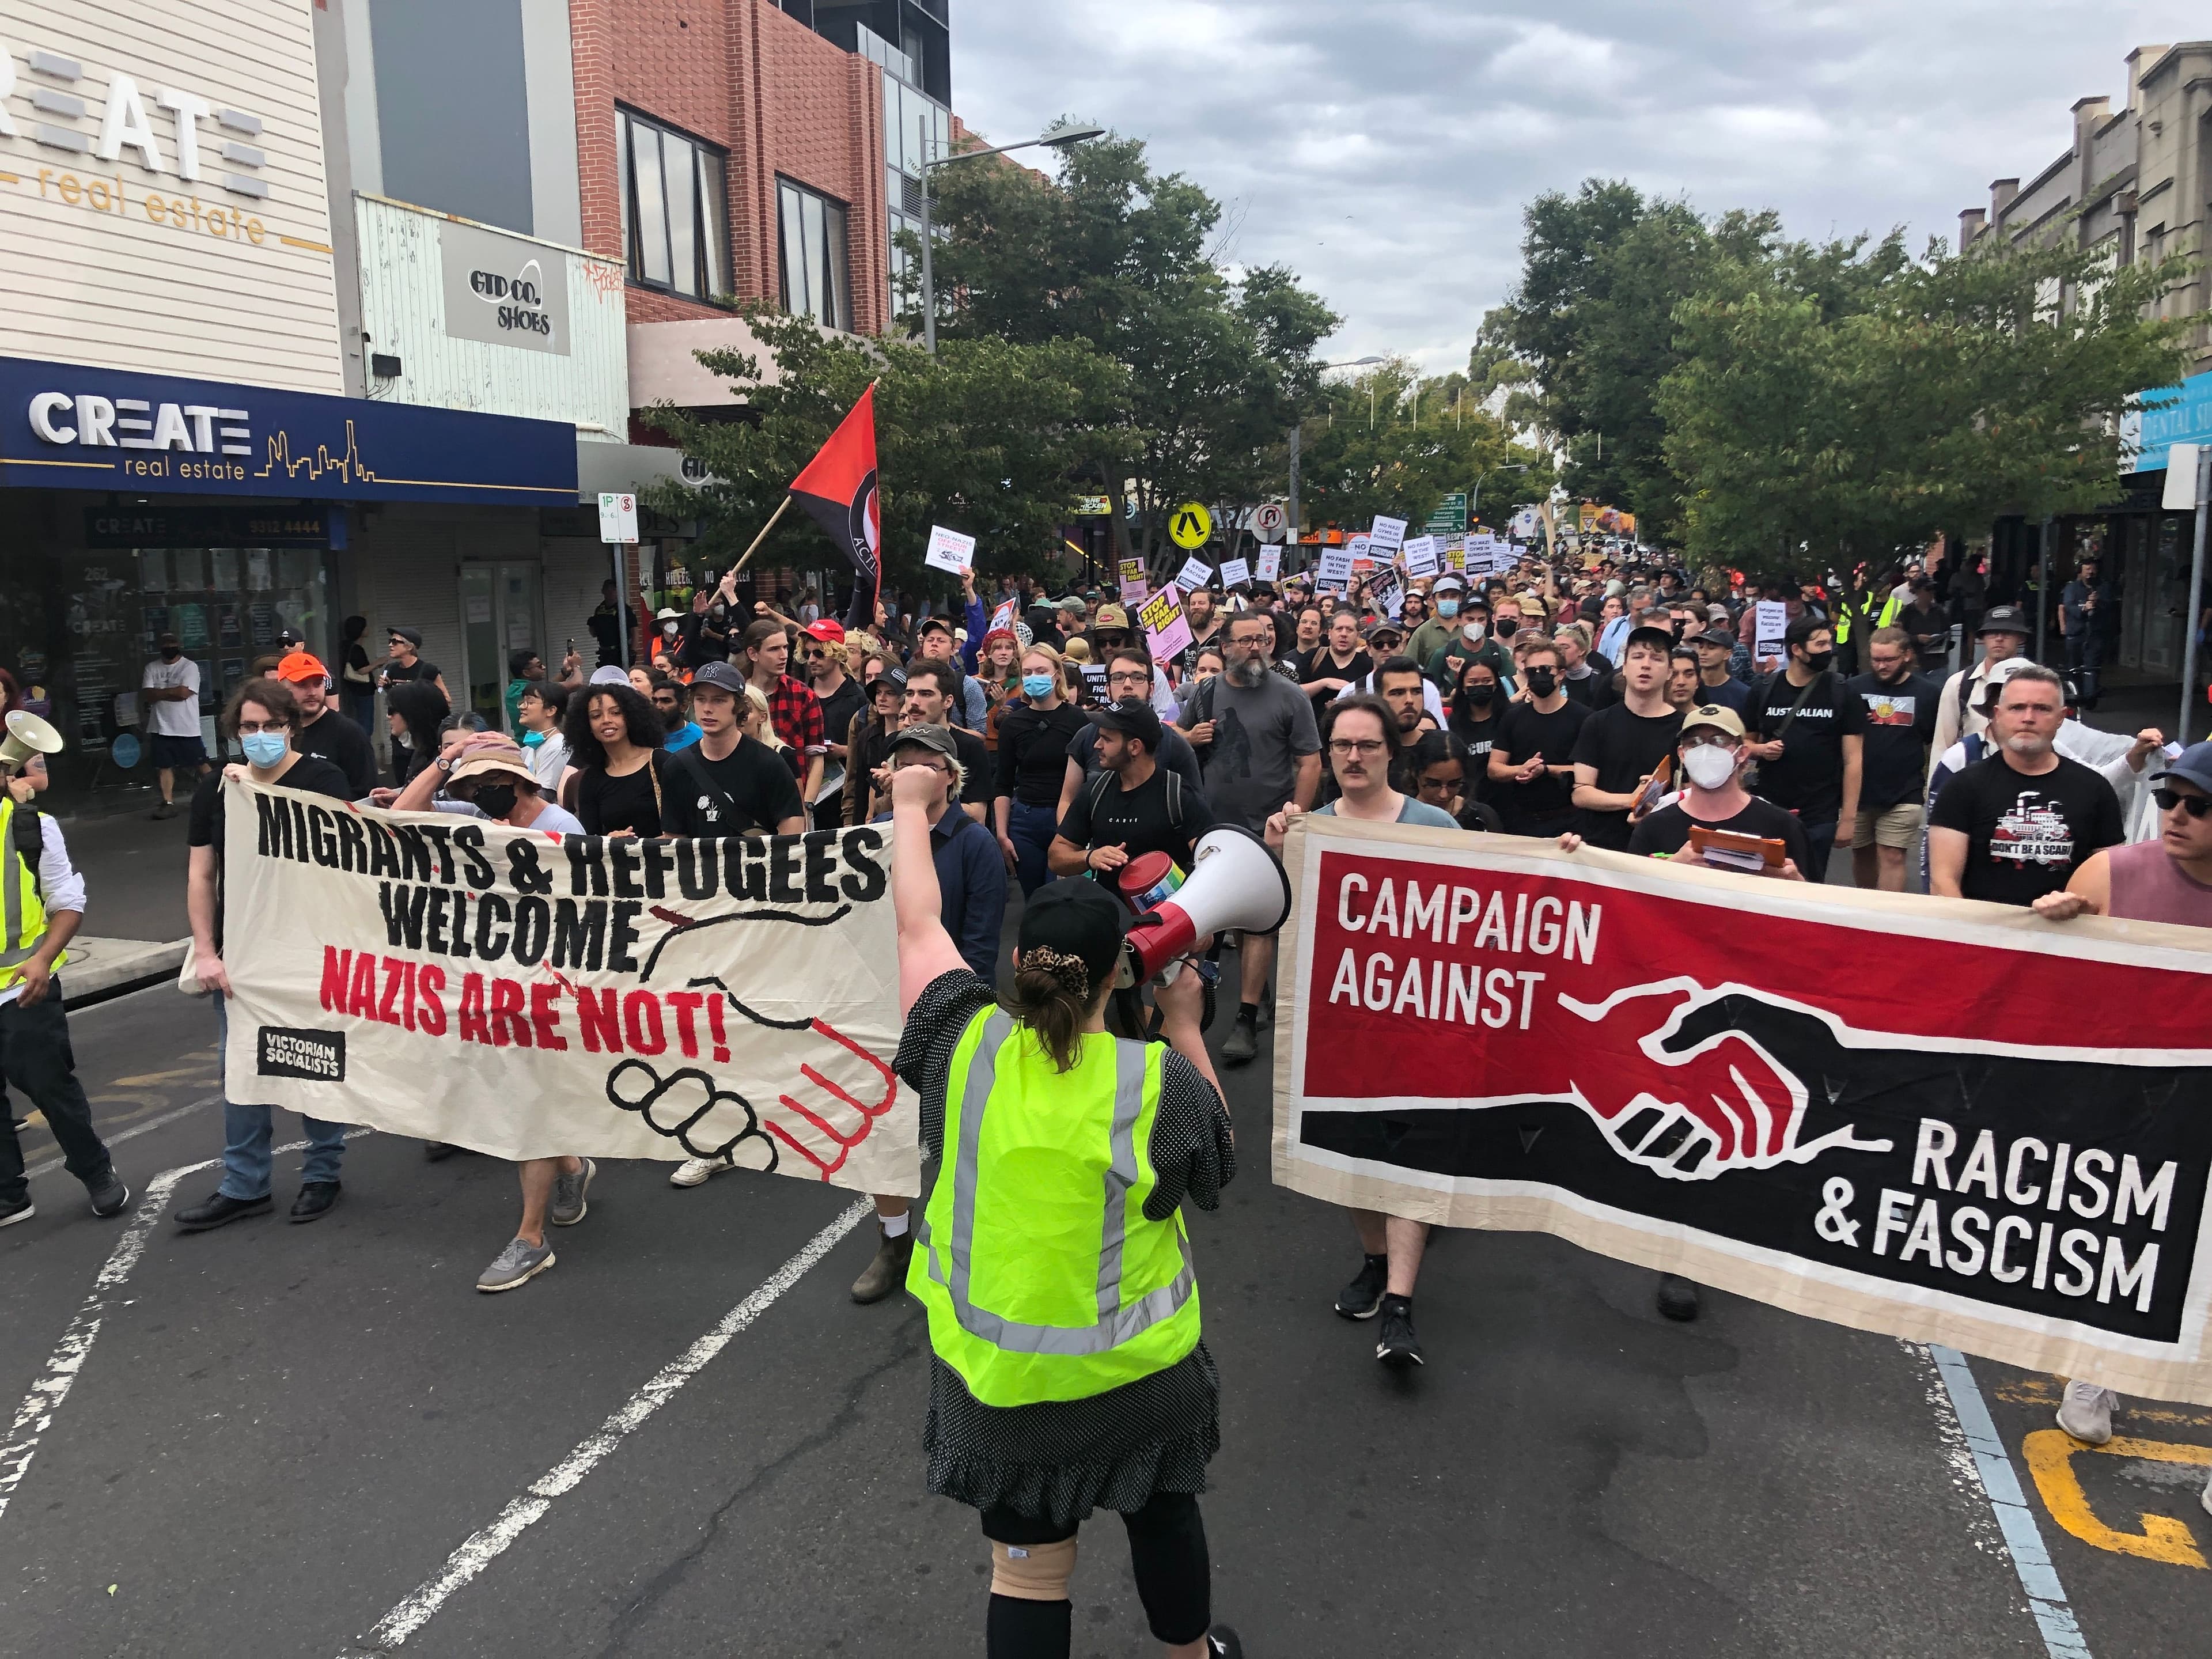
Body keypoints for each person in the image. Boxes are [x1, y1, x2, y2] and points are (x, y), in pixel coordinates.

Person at [889, 779, 1240, 1659]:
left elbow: (918, 927)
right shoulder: (1157, 1081)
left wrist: (905, 804)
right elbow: (1218, 1165)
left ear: (1015, 964)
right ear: (1122, 972)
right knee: (1164, 1519)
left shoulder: (960, 1041)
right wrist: (1187, 1023)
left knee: (1028, 1573)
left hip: (999, 1383)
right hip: (1138, 1377)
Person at [2031, 740, 2212, 1508]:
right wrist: (2057, 924)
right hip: (2136, 1106)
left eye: (2197, 806)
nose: (2174, 814)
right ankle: (2094, 1379)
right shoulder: (2113, 872)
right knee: (2129, 1249)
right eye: (2169, 798)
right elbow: (2050, 987)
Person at [1266, 695, 1456, 1368]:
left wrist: (1559, 857)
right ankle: (1374, 1262)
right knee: (1351, 1156)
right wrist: (1278, 855)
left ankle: (1400, 1304)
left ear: (1389, 753)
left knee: (1409, 1157)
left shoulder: (1434, 825)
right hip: (1340, 1031)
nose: (1351, 756)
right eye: (1341, 744)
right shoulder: (1310, 828)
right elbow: (1278, 922)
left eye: (1366, 745)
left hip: (1417, 1028)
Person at [176, 679, 357, 1231]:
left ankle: (322, 1173)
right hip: (243, 955)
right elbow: (201, 873)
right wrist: (206, 951)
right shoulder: (216, 791)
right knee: (241, 1072)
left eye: (270, 726)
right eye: (248, 728)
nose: (259, 737)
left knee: (316, 1063)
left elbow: (345, 863)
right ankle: (244, 1185)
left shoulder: (321, 780)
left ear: (291, 726)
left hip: (308, 949)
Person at [1175, 611, 1321, 1066]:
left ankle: (1246, 1014)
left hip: (1267, 828)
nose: (1255, 647)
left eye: (1261, 639)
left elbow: (1310, 761)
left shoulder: (1291, 697)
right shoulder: (1203, 693)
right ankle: (1210, 998)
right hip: (1212, 827)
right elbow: (1175, 741)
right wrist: (1190, 736)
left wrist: (1294, 817)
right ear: (1225, 647)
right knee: (1213, 917)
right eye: (1245, 641)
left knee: (1258, 921)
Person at [0, 741, 131, 1230]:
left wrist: (42, 960)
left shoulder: (31, 826)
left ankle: (96, 1170)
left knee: (51, 1088)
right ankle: (10, 1195)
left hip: (22, 987)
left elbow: (68, 903)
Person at [1928, 663, 2123, 907]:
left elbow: (2114, 882)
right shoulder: (1962, 787)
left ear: (2062, 718)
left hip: (2066, 937)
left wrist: (2081, 909)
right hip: (1983, 937)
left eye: (2042, 709)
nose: (2028, 718)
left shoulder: (2095, 789)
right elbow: (1942, 882)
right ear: (1998, 715)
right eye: (2017, 708)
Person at [1742, 614, 1863, 879]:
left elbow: (1854, 760)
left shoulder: (1843, 691)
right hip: (1768, 806)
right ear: (1797, 650)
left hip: (1819, 810)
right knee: (1764, 878)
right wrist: (1760, 750)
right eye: (1819, 645)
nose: (1827, 651)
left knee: (1811, 882)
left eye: (1829, 643)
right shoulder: (1764, 689)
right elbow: (1742, 744)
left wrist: (1849, 820)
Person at [1050, 697, 1217, 882]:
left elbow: (1212, 862)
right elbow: (1057, 856)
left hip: (1166, 909)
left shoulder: (1178, 796)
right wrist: (1089, 857)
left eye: (1107, 739)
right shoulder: (1095, 792)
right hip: (1109, 909)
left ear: (1135, 747)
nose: (1097, 745)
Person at [658, 661, 807, 839]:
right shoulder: (677, 767)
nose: (707, 709)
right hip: (701, 866)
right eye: (700, 699)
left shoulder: (769, 763)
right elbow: (674, 842)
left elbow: (793, 838)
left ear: (738, 706)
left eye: (719, 700)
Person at [1059, 651, 1206, 826]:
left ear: (1151, 689)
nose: (1127, 685)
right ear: (1107, 689)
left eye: (1137, 677)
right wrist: (1077, 845)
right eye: (1118, 677)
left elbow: (1197, 813)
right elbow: (1067, 801)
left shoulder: (1175, 745)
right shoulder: (1086, 737)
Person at [1569, 626, 1682, 852]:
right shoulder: (1597, 723)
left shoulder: (1684, 729)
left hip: (1660, 849)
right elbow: (1581, 792)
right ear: (1625, 667)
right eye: (1638, 657)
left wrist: (1655, 810)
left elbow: (1689, 794)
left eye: (1657, 659)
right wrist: (1631, 800)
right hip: (1601, 847)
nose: (1646, 665)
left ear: (1670, 671)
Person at [1843, 627, 1939, 892]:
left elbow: (1936, 741)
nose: (1881, 666)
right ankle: (1866, 909)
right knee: (1861, 853)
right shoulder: (1853, 688)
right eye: (1876, 660)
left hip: (1904, 792)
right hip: (1858, 791)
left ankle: (1887, 916)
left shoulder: (1929, 693)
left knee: (1893, 855)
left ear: (1907, 656)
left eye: (1889, 660)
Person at [995, 645, 1090, 897]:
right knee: (1036, 898)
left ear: (1057, 674)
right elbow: (1003, 782)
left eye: (1041, 670)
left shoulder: (1080, 720)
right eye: (1028, 672)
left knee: (1063, 895)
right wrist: (1002, 835)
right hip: (1025, 821)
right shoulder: (1013, 723)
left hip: (1068, 820)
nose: (1034, 677)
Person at [1487, 638, 1589, 838]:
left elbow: (1590, 772)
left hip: (1568, 821)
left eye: (1545, 669)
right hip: (1519, 821)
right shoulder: (1513, 717)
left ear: (1560, 674)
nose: (1538, 676)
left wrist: (1546, 770)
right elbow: (1494, 768)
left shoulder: (1585, 718)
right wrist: (1520, 770)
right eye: (1531, 671)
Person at [738, 619, 826, 805]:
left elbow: (816, 757)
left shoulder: (803, 695)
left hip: (792, 797)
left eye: (786, 647)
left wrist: (807, 804)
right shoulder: (736, 695)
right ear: (753, 654)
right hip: (744, 795)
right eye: (774, 649)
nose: (784, 655)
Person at [567, 680, 669, 839]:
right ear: (587, 726)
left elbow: (685, 828)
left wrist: (640, 847)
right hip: (619, 862)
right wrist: (610, 840)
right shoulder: (590, 779)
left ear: (631, 717)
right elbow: (590, 840)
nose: (606, 720)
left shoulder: (660, 761)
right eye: (596, 716)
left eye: (616, 713)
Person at [1929, 605, 2031, 764]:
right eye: (1991, 632)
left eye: (2007, 632)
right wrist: (1937, 787)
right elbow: (1942, 745)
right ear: (1983, 638)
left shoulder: (2040, 683)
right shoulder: (1960, 683)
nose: (1999, 638)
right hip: (1972, 779)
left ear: (2021, 638)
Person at [896, 663, 991, 824]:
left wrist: (926, 797)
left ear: (947, 701)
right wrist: (889, 790)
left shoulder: (971, 747)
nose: (914, 702)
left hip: (953, 842)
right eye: (910, 693)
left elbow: (978, 816)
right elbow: (877, 811)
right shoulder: (895, 743)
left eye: (925, 694)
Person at [276, 650, 375, 798]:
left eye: (318, 684)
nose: (312, 692)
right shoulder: (274, 731)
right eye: (302, 685)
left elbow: (367, 795)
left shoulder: (348, 733)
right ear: (282, 688)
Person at [142, 631, 207, 820]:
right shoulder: (151, 667)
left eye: (173, 643)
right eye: (166, 644)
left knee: (200, 763)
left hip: (186, 727)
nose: (170, 647)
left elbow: (184, 693)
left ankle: (220, 795)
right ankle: (168, 803)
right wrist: (172, 693)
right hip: (160, 727)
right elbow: (148, 694)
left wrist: (160, 693)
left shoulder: (190, 667)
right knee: (164, 766)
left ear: (179, 645)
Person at [806, 627, 864, 828]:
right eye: (808, 654)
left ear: (836, 653)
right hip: (805, 796)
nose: (812, 660)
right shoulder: (800, 694)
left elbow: (875, 750)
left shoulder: (859, 698)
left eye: (819, 653)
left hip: (844, 800)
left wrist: (843, 751)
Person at [1406, 730, 1501, 831]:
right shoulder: (1400, 815)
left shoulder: (1482, 817)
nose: (1444, 795)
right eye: (1433, 784)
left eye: (1454, 784)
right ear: (1415, 773)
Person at [2060, 556, 2118, 709]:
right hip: (2076, 632)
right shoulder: (2072, 588)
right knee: (2074, 666)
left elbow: (2111, 606)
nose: (2090, 573)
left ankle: (2090, 698)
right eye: (2087, 570)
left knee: (2091, 666)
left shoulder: (2104, 587)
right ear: (2081, 571)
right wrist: (2083, 608)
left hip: (2096, 633)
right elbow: (2068, 606)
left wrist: (2097, 602)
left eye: (2093, 570)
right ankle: (2076, 696)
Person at [383, 680, 452, 789]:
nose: (388, 716)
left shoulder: (446, 758)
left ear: (413, 713)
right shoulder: (421, 750)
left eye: (392, 710)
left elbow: (436, 801)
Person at [1298, 610, 1370, 706]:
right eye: (1339, 629)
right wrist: (1323, 683)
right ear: (1330, 633)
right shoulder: (1313, 656)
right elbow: (1294, 693)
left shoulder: (1367, 664)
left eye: (1349, 630)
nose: (1344, 634)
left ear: (1358, 635)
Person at [378, 626, 450, 703]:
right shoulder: (391, 669)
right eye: (390, 641)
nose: (390, 645)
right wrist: (387, 686)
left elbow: (447, 700)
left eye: (395, 642)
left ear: (409, 647)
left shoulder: (428, 670)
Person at [1691, 627, 1750, 714]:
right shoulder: (1689, 688)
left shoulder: (1743, 694)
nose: (1703, 652)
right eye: (1701, 647)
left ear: (1727, 654)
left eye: (1711, 648)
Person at [338, 615, 377, 732]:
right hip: (363, 691)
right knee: (366, 725)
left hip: (351, 689)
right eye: (365, 627)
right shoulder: (356, 649)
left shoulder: (344, 646)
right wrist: (377, 663)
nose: (368, 629)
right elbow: (362, 670)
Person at [648, 672, 703, 752]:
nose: (658, 706)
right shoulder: (644, 735)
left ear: (683, 707)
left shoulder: (699, 738)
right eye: (655, 701)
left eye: (666, 701)